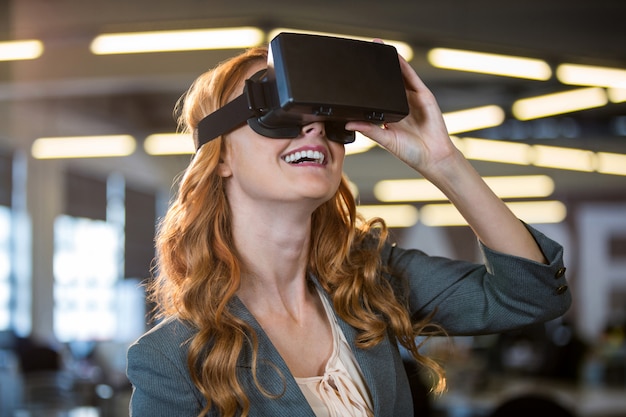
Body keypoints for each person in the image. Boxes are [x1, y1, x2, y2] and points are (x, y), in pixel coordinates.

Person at [126, 42, 571, 417]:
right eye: (278, 107)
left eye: (328, 115)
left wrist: (444, 163)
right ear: (220, 155)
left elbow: (531, 295)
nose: (314, 125)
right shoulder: (171, 360)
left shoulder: (371, 281)